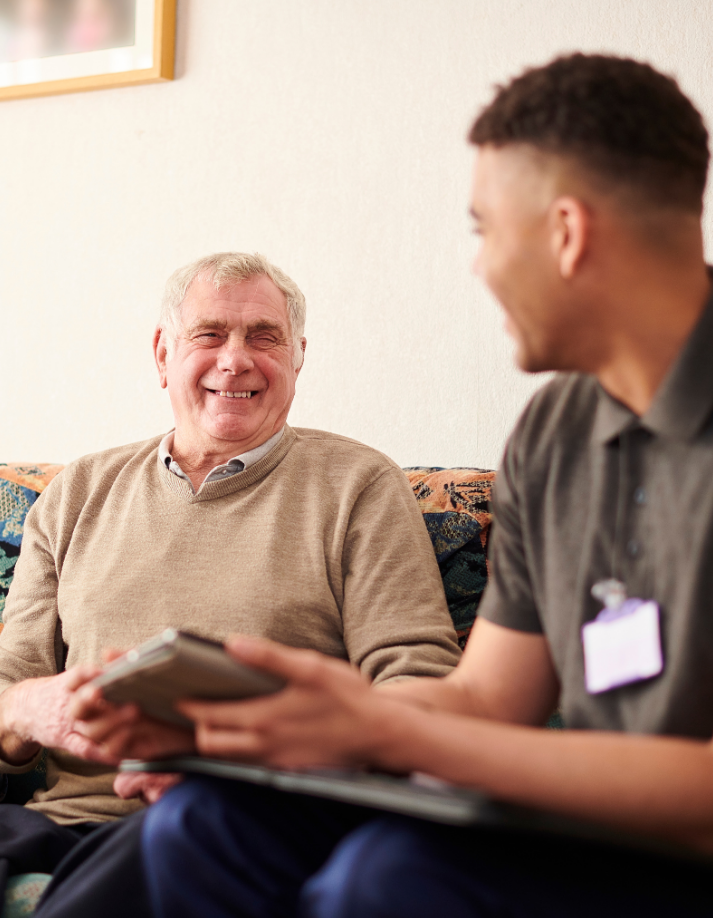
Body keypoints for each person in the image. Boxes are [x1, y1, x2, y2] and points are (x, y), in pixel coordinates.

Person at [132, 54, 713, 917]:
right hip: (579, 832)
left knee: (386, 879)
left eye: (484, 229)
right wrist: (267, 728)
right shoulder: (553, 434)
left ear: (565, 233)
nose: (479, 266)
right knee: (204, 821)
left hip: (691, 853)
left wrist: (386, 726)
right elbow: (489, 698)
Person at [0, 251, 461, 917]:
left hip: (246, 810)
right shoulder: (74, 494)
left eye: (263, 337)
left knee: (188, 827)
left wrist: (248, 758)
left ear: (297, 358)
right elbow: (12, 680)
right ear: (163, 354)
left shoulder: (358, 485)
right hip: (60, 822)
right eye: (209, 334)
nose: (235, 359)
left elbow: (418, 681)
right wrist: (30, 708)